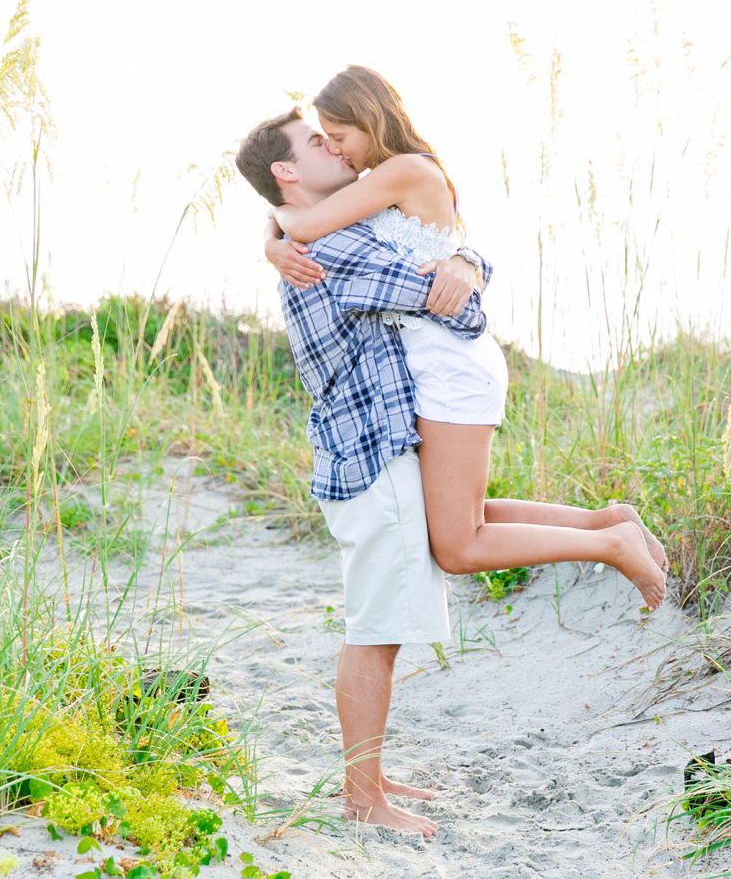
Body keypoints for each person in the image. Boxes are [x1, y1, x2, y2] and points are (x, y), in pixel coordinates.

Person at [261, 66, 669, 608]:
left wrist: (273, 230)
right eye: (326, 141)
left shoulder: (401, 171)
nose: (338, 152)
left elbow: (307, 224)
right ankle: (607, 522)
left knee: (457, 547)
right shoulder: (389, 178)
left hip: (448, 361)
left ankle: (612, 544)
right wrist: (272, 232)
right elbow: (313, 217)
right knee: (458, 519)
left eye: (340, 137)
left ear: (370, 119)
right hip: (440, 360)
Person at [236, 108, 486, 838]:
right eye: (314, 142)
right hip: (371, 455)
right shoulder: (332, 250)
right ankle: (362, 797)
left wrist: (464, 262)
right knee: (373, 631)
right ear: (287, 173)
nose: (330, 143)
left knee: (377, 625)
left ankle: (367, 775)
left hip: (368, 452)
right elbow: (456, 308)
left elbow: (446, 269)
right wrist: (466, 272)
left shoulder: (319, 235)